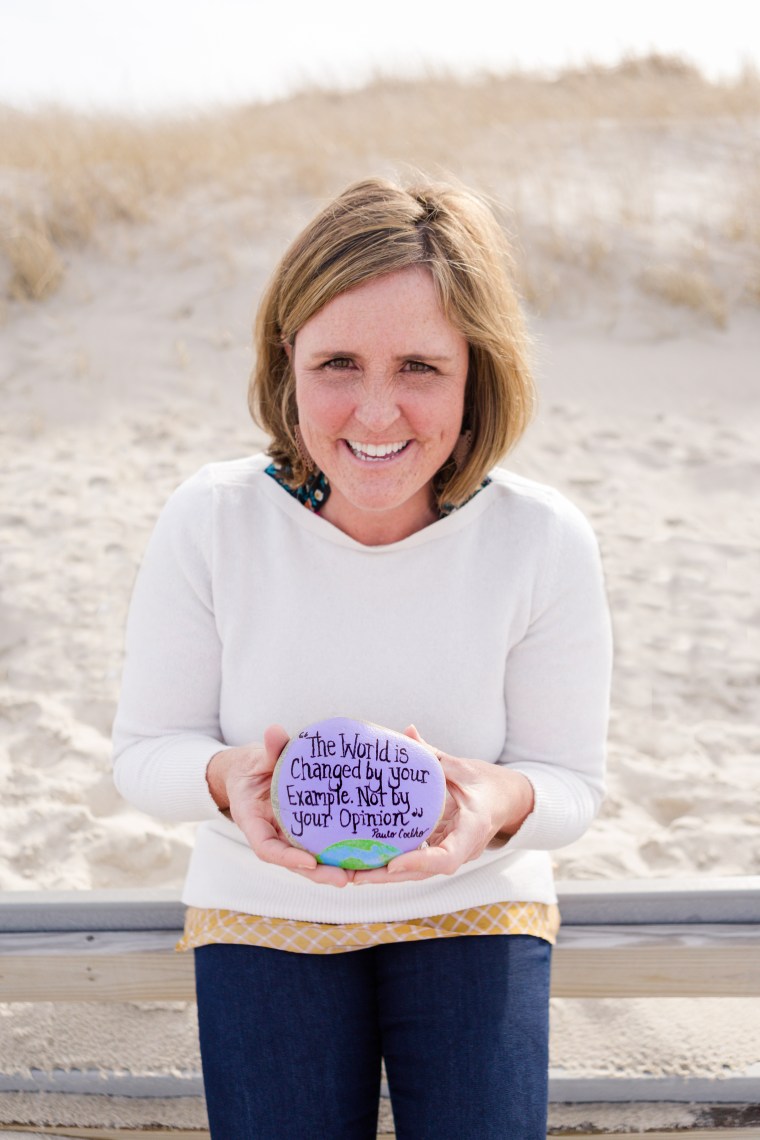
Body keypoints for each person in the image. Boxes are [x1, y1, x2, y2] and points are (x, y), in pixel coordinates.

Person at [112, 176, 612, 1140]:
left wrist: (493, 807)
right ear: (285, 362)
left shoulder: (541, 537)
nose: (376, 415)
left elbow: (572, 784)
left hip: (475, 908)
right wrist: (230, 781)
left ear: (478, 376)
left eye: (420, 367)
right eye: (339, 361)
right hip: (260, 906)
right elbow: (145, 754)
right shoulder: (214, 519)